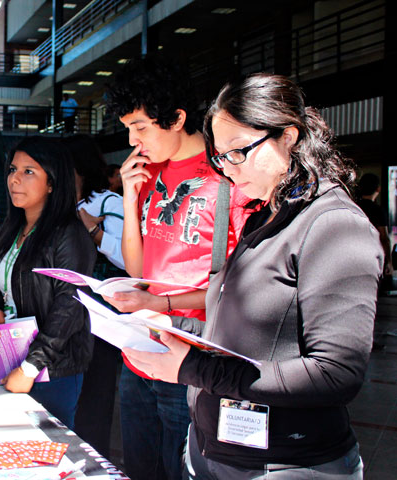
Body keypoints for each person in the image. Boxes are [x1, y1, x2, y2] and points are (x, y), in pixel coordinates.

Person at [122, 73, 382, 479]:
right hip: (218, 449)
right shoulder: (266, 213)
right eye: (220, 156)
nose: (227, 169)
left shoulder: (334, 225)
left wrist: (192, 369)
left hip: (284, 463)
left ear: (288, 137)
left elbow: (336, 374)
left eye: (238, 151)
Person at [102, 55, 250, 480]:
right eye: (128, 126)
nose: (133, 139)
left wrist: (159, 300)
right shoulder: (148, 173)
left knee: (182, 468)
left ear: (177, 118)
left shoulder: (227, 176)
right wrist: (130, 200)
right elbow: (137, 266)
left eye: (141, 126)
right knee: (141, 467)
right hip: (140, 348)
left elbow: (236, 287)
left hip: (192, 356)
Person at [0, 136, 95, 430]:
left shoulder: (68, 233)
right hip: (11, 357)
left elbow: (69, 307)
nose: (15, 179)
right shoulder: (14, 226)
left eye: (29, 171)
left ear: (52, 182)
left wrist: (31, 367)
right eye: (13, 170)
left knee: (48, 451)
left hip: (52, 369)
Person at [64, 134, 124, 457]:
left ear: (79, 168)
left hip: (99, 314)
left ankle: (94, 462)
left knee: (95, 393)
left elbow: (126, 259)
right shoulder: (60, 204)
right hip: (64, 312)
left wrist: (93, 229)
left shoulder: (108, 203)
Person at [356, 173, 393, 280]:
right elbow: (384, 239)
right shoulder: (378, 211)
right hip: (373, 259)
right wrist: (389, 262)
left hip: (355, 257)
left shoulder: (354, 207)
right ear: (378, 189)